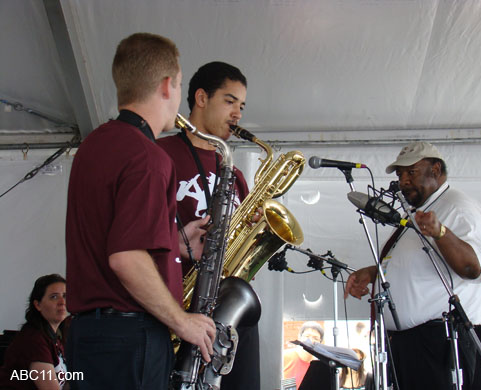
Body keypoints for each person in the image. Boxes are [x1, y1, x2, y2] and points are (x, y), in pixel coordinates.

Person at [65, 33, 215, 390]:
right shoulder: (149, 157)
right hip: (129, 339)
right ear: (167, 85)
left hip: (88, 334)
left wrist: (173, 244)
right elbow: (126, 259)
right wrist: (182, 321)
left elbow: (107, 239)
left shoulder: (94, 144)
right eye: (179, 86)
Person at [345, 141, 481, 390]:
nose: (403, 181)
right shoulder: (420, 211)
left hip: (437, 344)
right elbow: (417, 265)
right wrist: (373, 273)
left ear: (435, 170)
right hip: (408, 344)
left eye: (411, 172)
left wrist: (441, 232)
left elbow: (471, 269)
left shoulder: (457, 207)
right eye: (400, 174)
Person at [157, 61, 260, 390]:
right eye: (229, 101)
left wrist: (254, 237)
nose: (238, 114)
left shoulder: (236, 174)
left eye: (241, 106)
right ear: (201, 98)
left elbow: (243, 258)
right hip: (175, 308)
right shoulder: (159, 155)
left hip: (226, 317)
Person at [0, 274, 68, 389]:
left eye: (65, 296)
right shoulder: (33, 339)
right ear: (38, 305)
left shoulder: (54, 337)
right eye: (54, 297)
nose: (62, 302)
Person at [283, 321, 324, 389]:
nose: (310, 340)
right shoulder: (285, 357)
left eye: (315, 338)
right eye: (307, 336)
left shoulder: (319, 365)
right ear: (300, 338)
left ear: (320, 342)